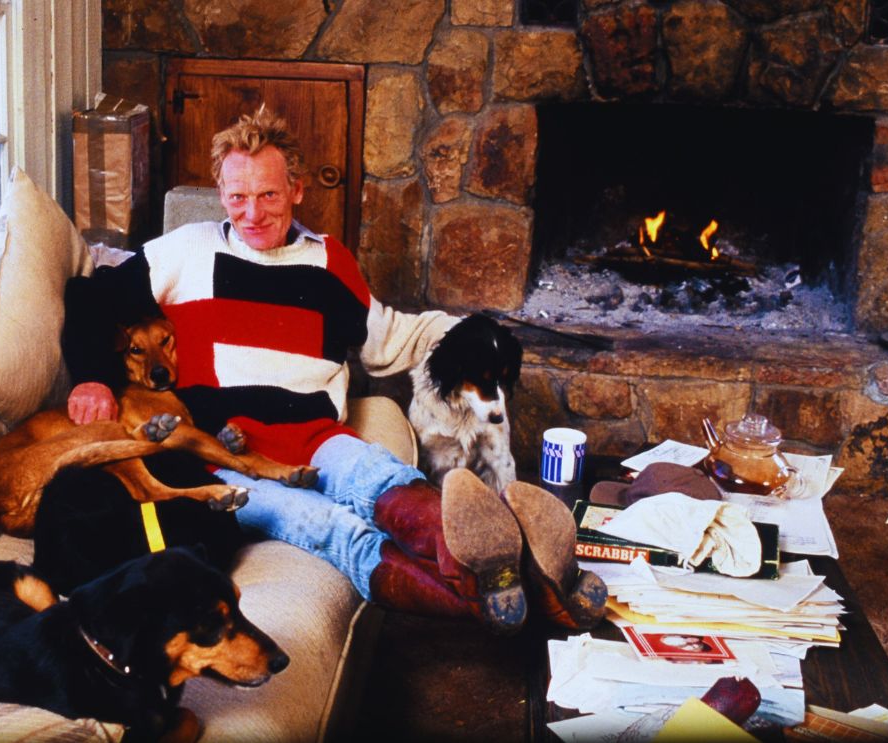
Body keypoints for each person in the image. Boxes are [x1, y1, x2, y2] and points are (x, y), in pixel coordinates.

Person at [61, 106, 605, 634]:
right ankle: (536, 600)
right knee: (334, 530)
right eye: (238, 197)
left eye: (268, 195)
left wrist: (468, 336)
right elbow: (89, 297)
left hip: (318, 439)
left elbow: (389, 338)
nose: (252, 214)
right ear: (221, 194)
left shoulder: (328, 261)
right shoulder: (184, 251)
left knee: (385, 479)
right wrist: (90, 377)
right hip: (222, 456)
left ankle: (503, 564)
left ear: (297, 190)